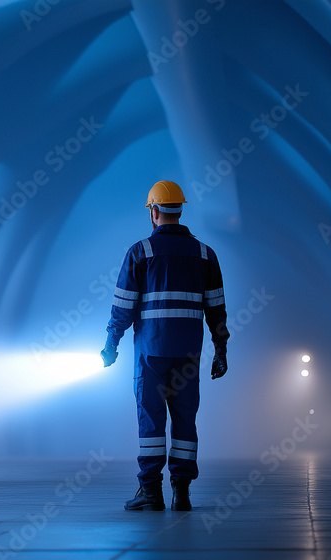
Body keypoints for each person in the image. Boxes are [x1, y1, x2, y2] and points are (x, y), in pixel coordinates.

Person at [101, 180, 229, 512]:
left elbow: (123, 307)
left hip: (151, 353)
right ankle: (181, 492)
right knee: (185, 418)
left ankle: (151, 492)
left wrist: (111, 344)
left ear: (153, 212)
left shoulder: (140, 252)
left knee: (151, 420)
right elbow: (216, 309)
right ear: (180, 210)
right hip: (188, 352)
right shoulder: (205, 254)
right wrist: (221, 350)